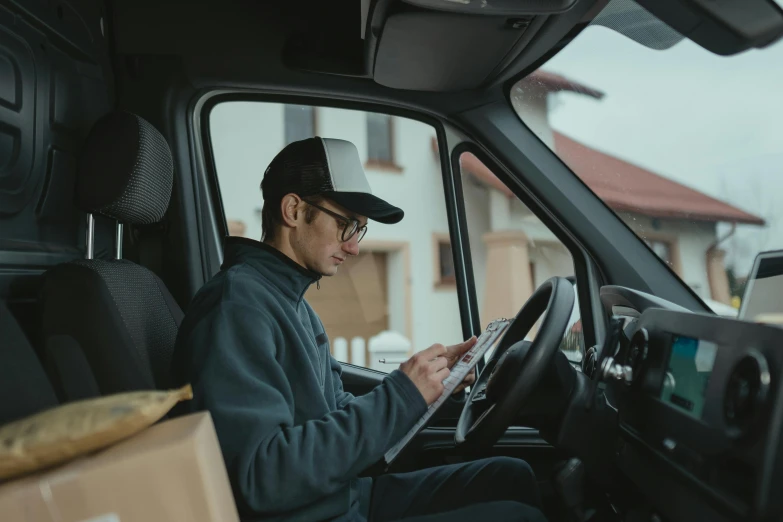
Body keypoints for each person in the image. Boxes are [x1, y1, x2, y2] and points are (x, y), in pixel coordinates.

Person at [171, 137, 546, 522]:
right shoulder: (237, 308)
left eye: (359, 231)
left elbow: (336, 414)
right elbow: (261, 477)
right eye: (346, 224)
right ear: (293, 210)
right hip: (315, 514)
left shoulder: (291, 304)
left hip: (344, 498)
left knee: (511, 476)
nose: (353, 248)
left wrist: (431, 391)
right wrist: (401, 396)